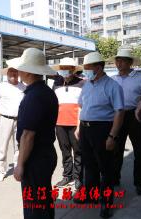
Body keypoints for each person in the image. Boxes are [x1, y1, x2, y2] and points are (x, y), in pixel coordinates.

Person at [75, 52, 124, 218]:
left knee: (106, 167)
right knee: (89, 166)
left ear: (98, 67)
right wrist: (79, 126)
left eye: (88, 67)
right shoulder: (87, 84)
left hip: (102, 129)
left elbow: (119, 112)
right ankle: (92, 195)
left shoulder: (112, 86)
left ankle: (106, 203)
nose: (86, 70)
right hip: (85, 129)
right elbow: (81, 105)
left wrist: (112, 136)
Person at [12, 48, 58, 219]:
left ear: (28, 71)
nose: (18, 71)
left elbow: (28, 135)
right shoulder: (46, 92)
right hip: (45, 154)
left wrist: (20, 164)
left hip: (35, 157)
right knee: (43, 200)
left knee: (34, 206)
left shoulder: (34, 96)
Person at [111, 47, 141, 195]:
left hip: (134, 116)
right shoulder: (112, 79)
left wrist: (140, 105)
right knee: (115, 148)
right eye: (118, 60)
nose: (119, 63)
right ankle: (114, 178)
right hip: (117, 115)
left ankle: (140, 182)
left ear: (130, 62)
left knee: (140, 149)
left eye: (123, 60)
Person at [52, 57, 84, 189]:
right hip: (60, 123)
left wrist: (79, 125)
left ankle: (78, 177)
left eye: (68, 68)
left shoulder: (82, 83)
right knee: (65, 151)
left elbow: (83, 105)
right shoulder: (56, 84)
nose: (65, 71)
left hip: (75, 124)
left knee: (78, 151)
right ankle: (67, 175)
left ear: (73, 69)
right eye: (63, 68)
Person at [0, 63, 25, 182]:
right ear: (7, 74)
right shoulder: (1, 86)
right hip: (5, 119)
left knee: (18, 146)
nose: (13, 74)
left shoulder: (23, 87)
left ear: (18, 73)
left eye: (15, 71)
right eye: (11, 72)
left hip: (20, 120)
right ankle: (1, 171)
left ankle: (17, 167)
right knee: (2, 146)